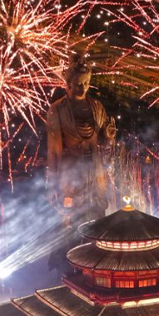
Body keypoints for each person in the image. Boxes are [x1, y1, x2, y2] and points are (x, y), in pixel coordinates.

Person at [46, 53, 117, 224]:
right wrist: (52, 184)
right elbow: (54, 151)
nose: (82, 88)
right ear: (68, 84)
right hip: (71, 174)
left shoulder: (97, 107)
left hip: (95, 173)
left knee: (98, 222)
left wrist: (108, 138)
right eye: (78, 84)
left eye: (86, 83)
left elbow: (105, 146)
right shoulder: (57, 110)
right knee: (75, 224)